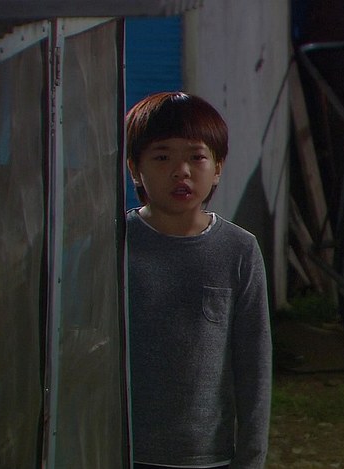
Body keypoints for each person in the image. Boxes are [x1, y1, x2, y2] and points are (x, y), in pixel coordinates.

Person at [124, 91, 272, 469]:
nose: (182, 171)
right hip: (123, 451)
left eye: (196, 157)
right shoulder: (114, 245)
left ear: (217, 167)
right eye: (162, 157)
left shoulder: (239, 250)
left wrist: (250, 458)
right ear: (134, 168)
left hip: (208, 456)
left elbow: (254, 367)